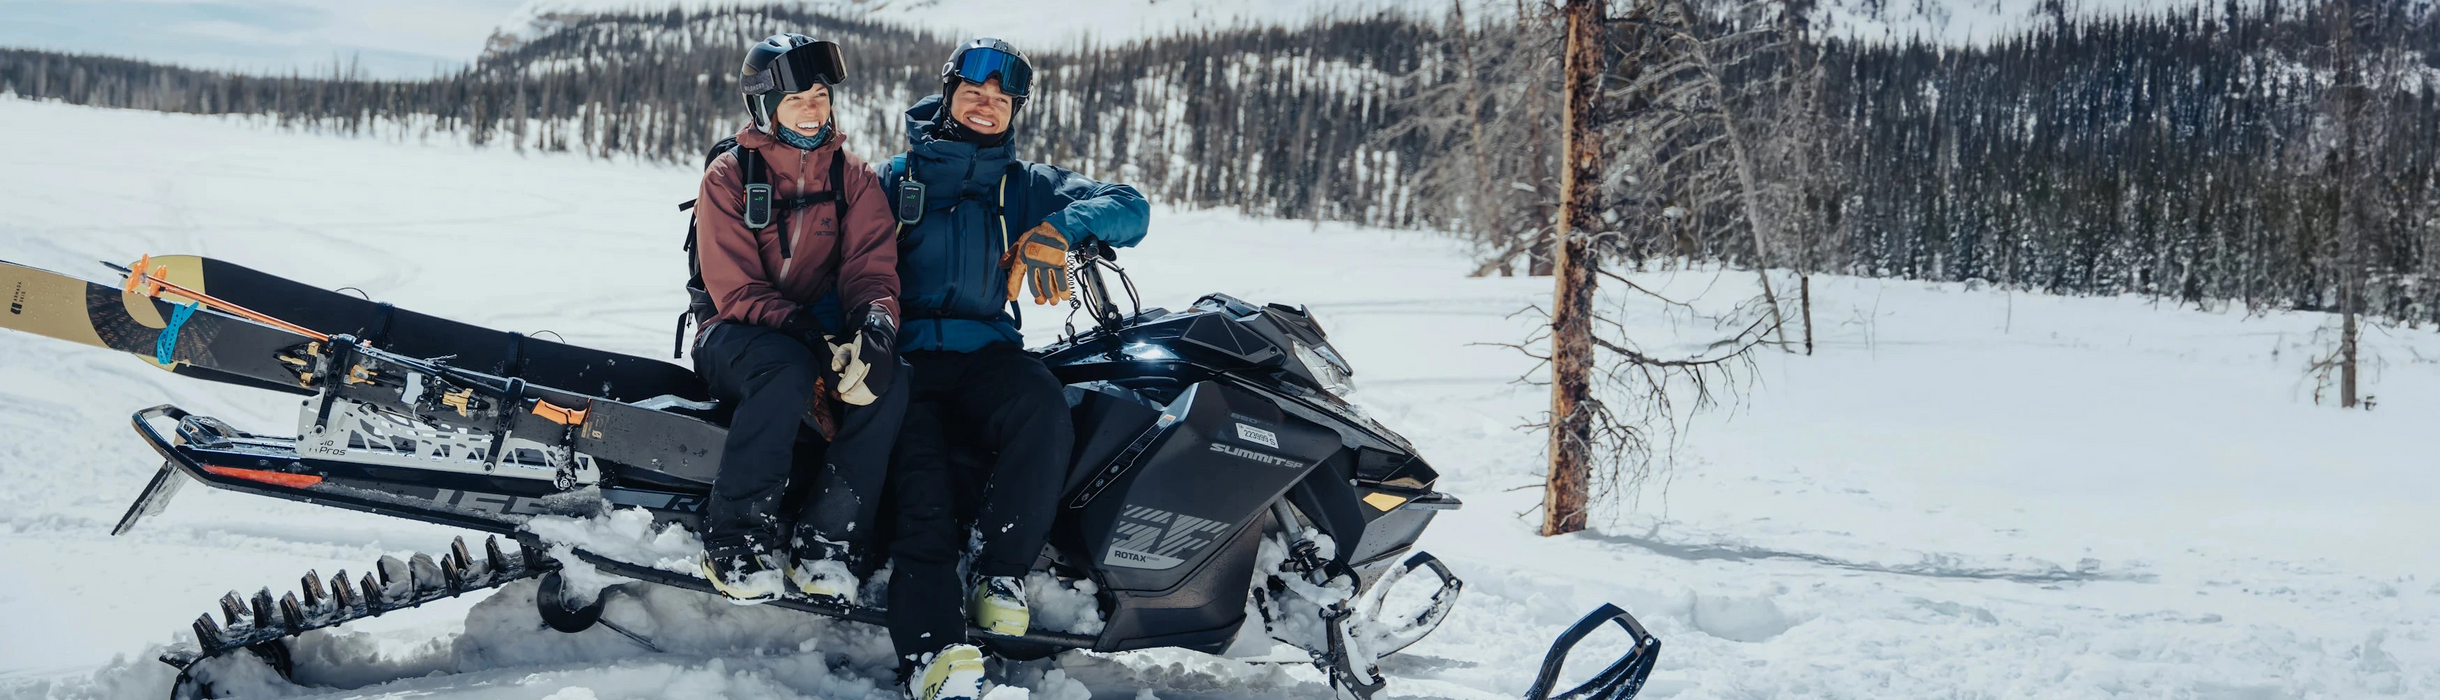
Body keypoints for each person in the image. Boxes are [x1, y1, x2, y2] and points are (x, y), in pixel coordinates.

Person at [880, 38, 1150, 700]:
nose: (986, 106)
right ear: (947, 95)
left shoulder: (1027, 186)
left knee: (1041, 407)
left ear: (1015, 111)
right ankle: (931, 657)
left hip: (986, 356)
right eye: (974, 93)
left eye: (1002, 100)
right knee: (924, 485)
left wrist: (1060, 228)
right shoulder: (894, 179)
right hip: (906, 357)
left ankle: (1000, 574)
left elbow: (1131, 207)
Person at [690, 33, 905, 605]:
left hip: (819, 334)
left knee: (890, 379)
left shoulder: (852, 177)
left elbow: (871, 269)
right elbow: (734, 288)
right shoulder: (729, 175)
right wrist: (808, 332)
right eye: (795, 99)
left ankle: (827, 542)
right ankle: (734, 539)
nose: (812, 110)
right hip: (733, 333)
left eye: (819, 95)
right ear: (765, 107)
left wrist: (876, 328)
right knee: (784, 368)